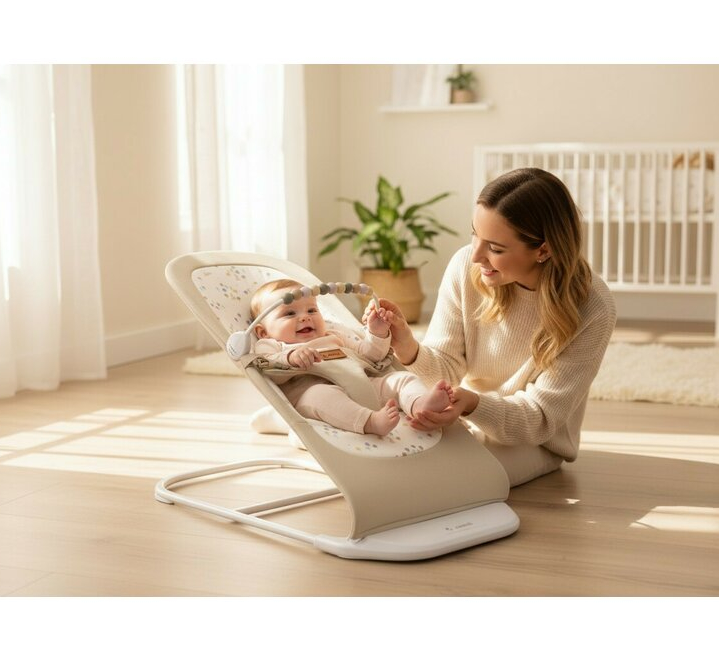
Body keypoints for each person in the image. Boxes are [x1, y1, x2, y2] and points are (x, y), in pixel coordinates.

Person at [362, 168, 617, 487]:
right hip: (466, 414)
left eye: (495, 248)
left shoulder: (592, 307)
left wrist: (473, 404)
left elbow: (540, 418)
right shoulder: (465, 267)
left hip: (533, 439)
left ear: (543, 250)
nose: (476, 256)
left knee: (438, 477)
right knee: (377, 441)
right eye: (475, 235)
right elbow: (446, 370)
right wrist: (408, 347)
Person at [250, 278, 457, 436]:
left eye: (312, 310)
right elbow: (268, 371)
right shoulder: (271, 345)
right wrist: (290, 357)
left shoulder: (334, 334)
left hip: (363, 383)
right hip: (314, 393)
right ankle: (370, 422)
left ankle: (420, 404)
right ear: (263, 331)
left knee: (401, 379)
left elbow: (372, 355)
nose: (305, 317)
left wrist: (377, 332)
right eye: (289, 314)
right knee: (321, 396)